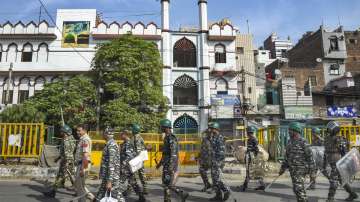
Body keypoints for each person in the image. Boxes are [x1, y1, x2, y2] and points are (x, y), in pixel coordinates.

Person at [279, 122, 315, 202]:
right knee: (296, 189)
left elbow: (310, 157)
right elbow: (286, 157)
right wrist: (282, 168)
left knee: (299, 189)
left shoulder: (303, 142)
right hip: (293, 170)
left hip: (301, 170)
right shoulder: (289, 142)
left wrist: (312, 173)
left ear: (296, 130)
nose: (289, 132)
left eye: (290, 130)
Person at [323, 121, 358, 202]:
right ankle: (353, 194)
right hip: (331, 163)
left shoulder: (340, 139)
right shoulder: (327, 139)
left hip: (338, 164)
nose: (328, 130)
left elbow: (345, 154)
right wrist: (324, 164)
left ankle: (330, 199)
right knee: (341, 180)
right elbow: (326, 152)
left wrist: (347, 166)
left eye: (330, 128)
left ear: (335, 129)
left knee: (333, 180)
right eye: (328, 128)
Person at [156, 119, 189, 202]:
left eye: (162, 127)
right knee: (166, 184)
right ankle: (169, 199)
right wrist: (160, 164)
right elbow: (165, 154)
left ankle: (181, 193)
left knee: (168, 184)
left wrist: (171, 167)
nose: (161, 128)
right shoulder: (166, 138)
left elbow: (173, 154)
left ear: (166, 127)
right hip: (166, 164)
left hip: (170, 165)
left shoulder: (171, 138)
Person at [44, 125, 76, 198]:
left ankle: (53, 192)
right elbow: (65, 152)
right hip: (67, 160)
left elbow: (68, 153)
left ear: (65, 132)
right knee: (71, 177)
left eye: (62, 131)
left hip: (67, 161)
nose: (60, 133)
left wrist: (66, 164)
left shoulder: (67, 140)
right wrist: (58, 158)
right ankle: (78, 191)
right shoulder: (70, 138)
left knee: (61, 177)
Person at [95, 128, 125, 202]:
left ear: (107, 134)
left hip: (112, 177)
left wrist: (109, 181)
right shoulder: (109, 144)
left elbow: (111, 164)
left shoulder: (111, 145)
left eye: (104, 133)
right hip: (107, 176)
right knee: (101, 194)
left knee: (118, 196)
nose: (103, 135)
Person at [119, 130, 146, 202]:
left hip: (127, 167)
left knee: (119, 182)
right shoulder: (125, 143)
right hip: (129, 167)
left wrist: (123, 166)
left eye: (121, 134)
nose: (120, 136)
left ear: (125, 135)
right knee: (133, 182)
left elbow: (129, 156)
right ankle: (141, 197)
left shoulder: (128, 143)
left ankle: (116, 197)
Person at [209, 122, 230, 201]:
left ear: (216, 129)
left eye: (212, 128)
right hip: (214, 161)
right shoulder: (214, 137)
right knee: (214, 180)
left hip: (218, 162)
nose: (210, 130)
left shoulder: (219, 138)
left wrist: (217, 162)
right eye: (210, 128)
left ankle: (226, 190)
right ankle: (218, 196)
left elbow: (221, 153)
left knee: (217, 179)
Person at [74, 124, 95, 202]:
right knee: (80, 185)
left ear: (85, 130)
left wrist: (82, 168)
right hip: (81, 164)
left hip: (83, 164)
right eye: (77, 130)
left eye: (79, 130)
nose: (77, 132)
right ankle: (92, 198)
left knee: (80, 187)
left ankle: (84, 200)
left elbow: (85, 155)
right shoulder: (82, 139)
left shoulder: (85, 139)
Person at [241, 125, 265, 191]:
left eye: (248, 132)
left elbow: (256, 150)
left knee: (255, 172)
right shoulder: (249, 139)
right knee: (250, 172)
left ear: (249, 132)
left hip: (253, 159)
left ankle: (261, 185)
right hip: (250, 158)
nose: (248, 134)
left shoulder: (254, 139)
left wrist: (253, 159)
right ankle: (245, 185)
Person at [131, 124, 148, 194]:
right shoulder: (140, 137)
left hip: (138, 158)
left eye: (132, 129)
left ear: (135, 130)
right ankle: (145, 188)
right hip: (141, 157)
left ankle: (137, 189)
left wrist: (135, 159)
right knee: (141, 174)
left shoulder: (136, 137)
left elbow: (138, 150)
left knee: (134, 174)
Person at [198, 122, 213, 192]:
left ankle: (216, 188)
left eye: (210, 131)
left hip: (213, 159)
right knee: (201, 170)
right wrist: (198, 156)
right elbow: (202, 149)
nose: (209, 132)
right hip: (205, 159)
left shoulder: (215, 139)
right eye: (208, 132)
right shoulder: (204, 139)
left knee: (215, 174)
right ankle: (207, 184)